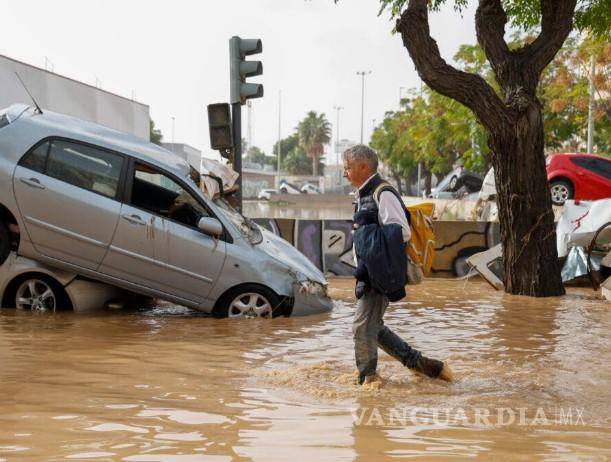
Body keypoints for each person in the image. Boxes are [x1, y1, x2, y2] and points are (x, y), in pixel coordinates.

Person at [342, 144, 453, 386]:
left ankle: (368, 381)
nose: (344, 173)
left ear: (363, 166)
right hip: (369, 272)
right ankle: (427, 367)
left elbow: (400, 232)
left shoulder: (383, 192)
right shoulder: (364, 194)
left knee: (362, 327)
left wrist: (367, 238)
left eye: (348, 167)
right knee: (373, 327)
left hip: (378, 273)